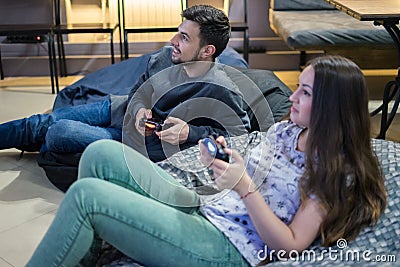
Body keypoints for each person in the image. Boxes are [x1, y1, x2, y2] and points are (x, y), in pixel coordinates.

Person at [26, 55, 387, 266]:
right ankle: (88, 255)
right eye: (298, 86)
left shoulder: (336, 170)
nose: (292, 96)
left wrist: (243, 186)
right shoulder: (288, 131)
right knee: (100, 153)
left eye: (304, 92)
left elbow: (290, 245)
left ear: (331, 106)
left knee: (86, 196)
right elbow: (251, 169)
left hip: (228, 245)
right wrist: (223, 161)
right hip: (207, 204)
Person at [0, 5, 250, 162]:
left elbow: (241, 137)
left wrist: (190, 133)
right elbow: (139, 89)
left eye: (184, 38)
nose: (173, 40)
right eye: (178, 32)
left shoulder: (223, 89)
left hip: (140, 143)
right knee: (43, 122)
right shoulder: (164, 57)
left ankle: (41, 141)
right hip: (119, 109)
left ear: (207, 50)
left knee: (59, 131)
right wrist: (139, 108)